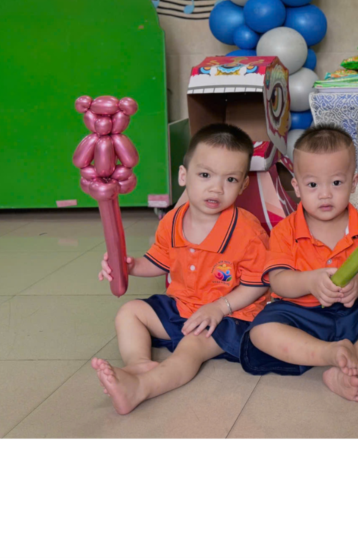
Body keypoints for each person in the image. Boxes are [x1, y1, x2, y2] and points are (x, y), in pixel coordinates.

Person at [91, 123, 270, 415]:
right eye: (205, 175)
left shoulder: (247, 231)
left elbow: (259, 283)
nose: (216, 188)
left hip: (229, 317)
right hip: (183, 306)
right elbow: (159, 261)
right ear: (183, 176)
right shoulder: (172, 221)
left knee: (191, 346)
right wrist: (129, 265)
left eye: (230, 179)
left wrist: (220, 307)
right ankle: (139, 364)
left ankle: (143, 387)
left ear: (242, 185)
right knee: (130, 312)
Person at [245, 126, 358, 402]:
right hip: (300, 314)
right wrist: (309, 281)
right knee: (261, 331)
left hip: (353, 310)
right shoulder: (284, 231)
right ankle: (328, 354)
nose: (325, 194)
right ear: (297, 187)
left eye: (336, 183)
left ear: (353, 183)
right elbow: (278, 281)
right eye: (313, 185)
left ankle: (350, 366)